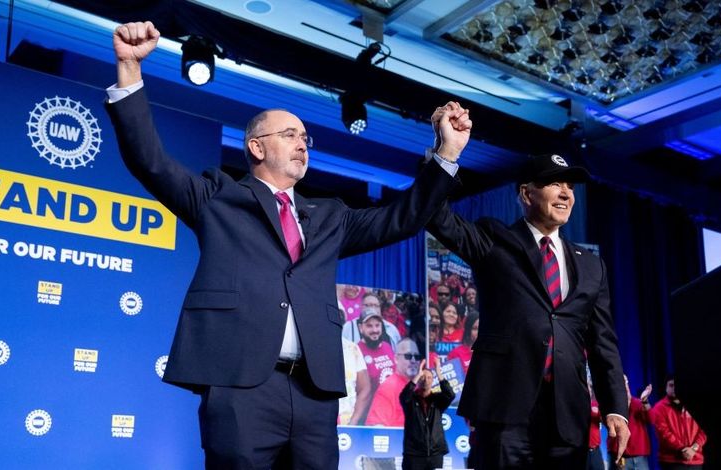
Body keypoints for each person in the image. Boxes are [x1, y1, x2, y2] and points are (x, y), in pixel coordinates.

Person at [107, 21, 471, 469]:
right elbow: (150, 161)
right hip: (241, 386)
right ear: (256, 148)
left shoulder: (331, 216)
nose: (302, 144)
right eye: (289, 135)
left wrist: (447, 153)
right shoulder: (218, 197)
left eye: (305, 138)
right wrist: (129, 69)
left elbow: (404, 218)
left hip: (314, 392)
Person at [427, 152, 630, 469]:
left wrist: (615, 408)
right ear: (526, 193)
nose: (566, 194)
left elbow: (603, 342)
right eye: (554, 184)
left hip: (568, 417)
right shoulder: (494, 239)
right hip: (504, 411)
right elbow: (437, 217)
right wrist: (445, 155)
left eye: (570, 187)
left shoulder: (592, 266)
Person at [400, 357, 456, 470]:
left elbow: (450, 395)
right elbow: (404, 396)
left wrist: (439, 372)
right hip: (414, 454)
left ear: (433, 381)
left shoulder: (437, 400)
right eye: (423, 377)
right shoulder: (411, 400)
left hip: (435, 454)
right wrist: (417, 375)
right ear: (418, 380)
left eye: (429, 377)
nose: (426, 380)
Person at [650, 375, 707, 470]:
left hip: (695, 459)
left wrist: (693, 449)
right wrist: (682, 449)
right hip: (671, 461)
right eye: (671, 385)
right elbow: (664, 433)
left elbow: (703, 431)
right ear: (666, 388)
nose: (675, 389)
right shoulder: (659, 408)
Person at [365, 338, 422, 426]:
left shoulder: (419, 386)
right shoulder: (389, 387)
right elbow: (376, 427)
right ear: (396, 359)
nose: (413, 361)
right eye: (408, 356)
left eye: (417, 357)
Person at [608, 375, 652, 470]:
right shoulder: (611, 406)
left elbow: (650, 419)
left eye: (626, 382)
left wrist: (644, 401)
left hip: (639, 456)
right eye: (621, 382)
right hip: (619, 456)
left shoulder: (637, 403)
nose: (624, 386)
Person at [356, 308, 398, 393]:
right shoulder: (356, 351)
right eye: (369, 326)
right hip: (373, 401)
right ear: (360, 328)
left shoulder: (387, 346)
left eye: (377, 325)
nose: (374, 330)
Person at [339, 337, 372, 425]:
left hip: (347, 422)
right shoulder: (309, 347)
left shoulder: (352, 348)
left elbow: (365, 388)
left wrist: (353, 421)